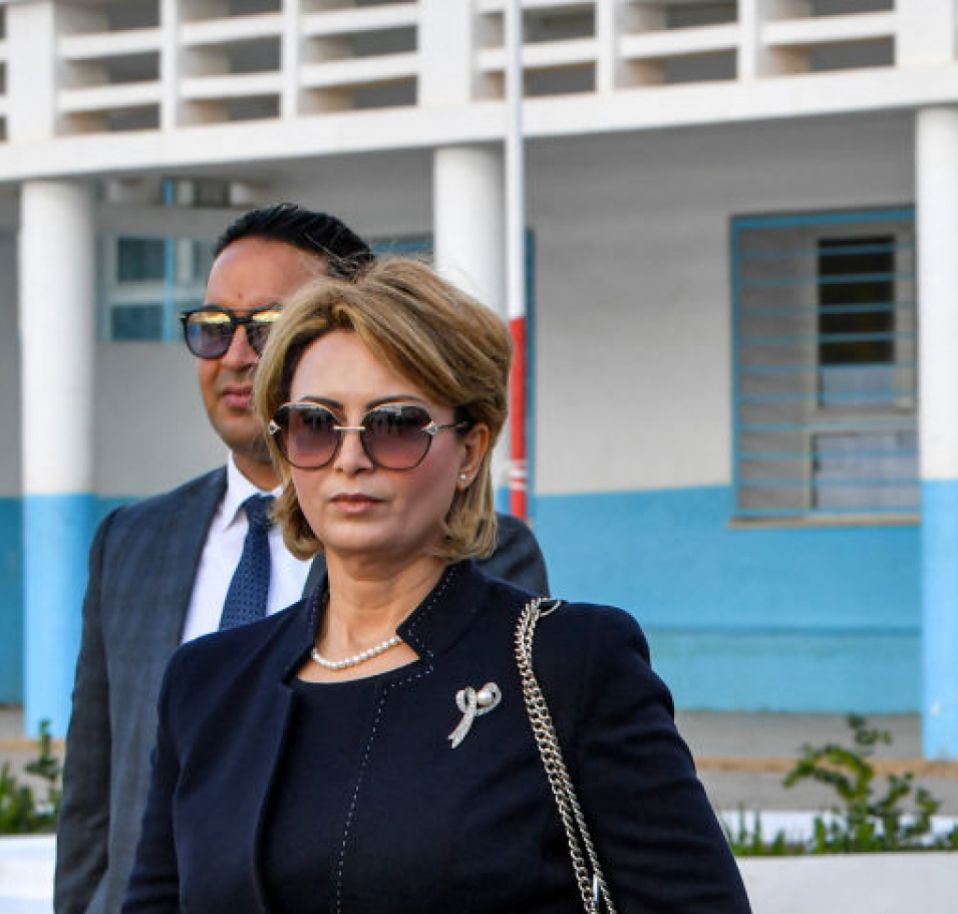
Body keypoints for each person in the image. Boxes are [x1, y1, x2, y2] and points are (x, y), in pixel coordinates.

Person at [121, 256, 749, 913]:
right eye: (315, 425)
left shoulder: (570, 663)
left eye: (394, 426)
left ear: (470, 450)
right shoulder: (205, 685)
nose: (351, 457)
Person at [55, 204, 548, 914]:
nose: (236, 356)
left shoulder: (478, 556)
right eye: (214, 328)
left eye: (268, 327)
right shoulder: (133, 543)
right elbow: (94, 805)